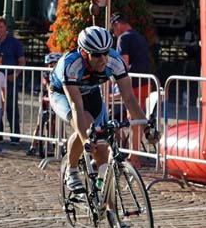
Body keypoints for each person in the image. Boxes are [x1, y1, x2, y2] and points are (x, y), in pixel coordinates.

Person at [49, 26, 156, 193]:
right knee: (87, 126)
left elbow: (129, 98)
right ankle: (72, 170)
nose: (103, 59)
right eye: (97, 55)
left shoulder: (115, 61)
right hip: (63, 94)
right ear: (84, 53)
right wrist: (85, 139)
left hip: (91, 92)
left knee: (102, 144)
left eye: (106, 52)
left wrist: (146, 127)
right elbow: (76, 106)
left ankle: (102, 191)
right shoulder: (71, 64)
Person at [110, 13, 152, 165]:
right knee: (137, 118)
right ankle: (134, 154)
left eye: (113, 30)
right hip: (145, 81)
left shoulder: (123, 38)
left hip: (132, 83)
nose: (114, 34)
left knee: (133, 120)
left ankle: (134, 157)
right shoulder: (140, 37)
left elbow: (123, 63)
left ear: (118, 24)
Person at [27, 52, 61, 157]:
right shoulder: (45, 73)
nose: (51, 67)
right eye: (50, 65)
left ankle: (63, 145)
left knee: (60, 124)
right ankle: (33, 146)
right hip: (46, 98)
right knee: (39, 124)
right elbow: (47, 84)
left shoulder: (61, 72)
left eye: (54, 64)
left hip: (58, 99)